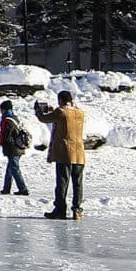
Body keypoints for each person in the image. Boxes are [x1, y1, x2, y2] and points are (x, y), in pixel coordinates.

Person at [36, 90, 88, 220]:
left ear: (60, 100)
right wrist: (55, 110)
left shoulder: (61, 112)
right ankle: (77, 210)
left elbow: (44, 118)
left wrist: (38, 110)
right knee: (78, 184)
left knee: (62, 183)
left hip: (65, 153)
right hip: (79, 154)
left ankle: (60, 209)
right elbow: (67, 117)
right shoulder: (80, 113)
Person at [0, 100, 32, 197]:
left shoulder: (6, 120)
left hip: (12, 148)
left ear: (4, 109)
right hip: (19, 146)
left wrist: (0, 142)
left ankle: (23, 188)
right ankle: (6, 188)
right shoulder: (15, 118)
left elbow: (5, 136)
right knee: (11, 168)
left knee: (14, 168)